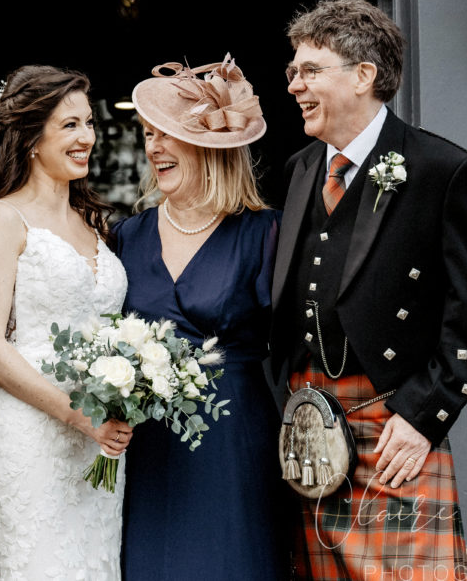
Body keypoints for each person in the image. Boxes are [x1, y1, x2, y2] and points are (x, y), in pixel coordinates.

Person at [270, 0, 467, 580]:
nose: (294, 83)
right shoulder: (298, 170)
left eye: (310, 70)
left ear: (364, 76)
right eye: (294, 70)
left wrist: (426, 416)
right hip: (309, 426)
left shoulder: (442, 171)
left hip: (391, 421)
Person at [114, 56, 286, 580]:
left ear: (210, 146)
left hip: (233, 439)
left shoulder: (266, 233)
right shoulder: (126, 236)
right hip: (147, 446)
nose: (153, 147)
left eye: (166, 134)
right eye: (148, 134)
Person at [0, 65, 133, 580]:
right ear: (31, 138)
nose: (87, 136)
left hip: (98, 442)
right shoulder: (3, 217)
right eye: (69, 125)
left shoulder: (94, 224)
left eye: (88, 123)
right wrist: (75, 416)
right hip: (32, 434)